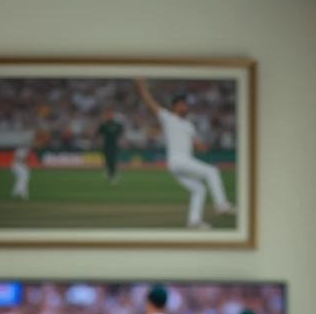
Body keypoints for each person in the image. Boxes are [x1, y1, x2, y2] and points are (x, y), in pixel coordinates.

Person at [136, 77, 237, 231]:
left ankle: (194, 221)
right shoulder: (168, 118)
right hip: (178, 160)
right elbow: (150, 103)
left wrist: (201, 146)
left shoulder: (189, 125)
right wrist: (141, 85)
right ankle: (221, 204)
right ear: (175, 106)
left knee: (199, 189)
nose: (185, 106)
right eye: (182, 104)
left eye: (185, 104)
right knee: (212, 171)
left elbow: (195, 144)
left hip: (181, 163)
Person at [96, 110, 124, 185]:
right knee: (108, 159)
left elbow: (121, 134)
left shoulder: (117, 125)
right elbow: (98, 134)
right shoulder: (104, 125)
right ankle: (110, 172)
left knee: (113, 160)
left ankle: (112, 174)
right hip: (106, 145)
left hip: (114, 145)